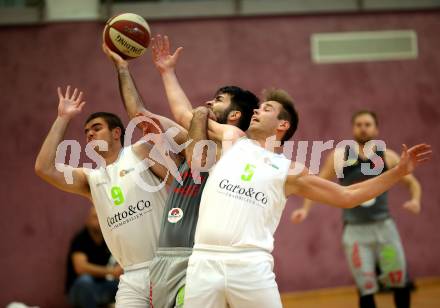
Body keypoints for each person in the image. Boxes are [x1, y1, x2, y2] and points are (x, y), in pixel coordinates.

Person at [150, 34, 432, 308]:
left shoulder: (290, 171)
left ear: (282, 125)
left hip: (250, 266)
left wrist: (398, 173)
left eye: (267, 108)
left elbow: (348, 196)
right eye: (259, 107)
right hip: (204, 261)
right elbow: (186, 116)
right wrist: (167, 73)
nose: (257, 111)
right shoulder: (233, 140)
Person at [102, 42, 259, 308]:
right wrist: (123, 68)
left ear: (234, 115)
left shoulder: (235, 149)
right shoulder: (189, 141)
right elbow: (140, 117)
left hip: (198, 260)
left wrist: (196, 112)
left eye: (218, 100)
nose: (209, 102)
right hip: (163, 260)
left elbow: (195, 140)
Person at [34, 86, 177, 307]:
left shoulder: (139, 152)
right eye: (86, 131)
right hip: (130, 276)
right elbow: (44, 168)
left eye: (97, 128)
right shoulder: (90, 178)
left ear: (116, 132)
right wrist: (63, 118)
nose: (90, 133)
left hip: (165, 265)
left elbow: (179, 184)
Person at [291, 110, 422, 308]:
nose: (363, 128)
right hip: (355, 231)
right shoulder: (340, 156)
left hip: (384, 227)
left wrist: (416, 200)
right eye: (359, 124)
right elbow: (316, 184)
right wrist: (305, 209)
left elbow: (412, 183)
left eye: (368, 124)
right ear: (353, 128)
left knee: (399, 280)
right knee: (365, 286)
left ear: (376, 129)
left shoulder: (388, 156)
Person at [66, 207, 121, 308]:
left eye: (101, 217)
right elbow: (80, 268)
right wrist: (112, 271)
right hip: (80, 289)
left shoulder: (108, 240)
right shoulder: (81, 239)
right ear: (87, 220)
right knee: (85, 281)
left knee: (123, 284)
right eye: (95, 217)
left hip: (102, 287)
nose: (98, 220)